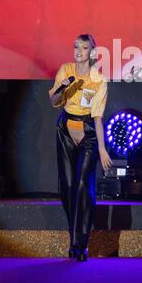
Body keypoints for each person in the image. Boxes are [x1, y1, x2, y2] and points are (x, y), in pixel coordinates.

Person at [49, 34, 112, 261]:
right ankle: (73, 234)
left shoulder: (98, 80)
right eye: (76, 46)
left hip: (88, 134)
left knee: (84, 185)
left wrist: (103, 149)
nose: (78, 51)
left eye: (83, 48)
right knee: (66, 186)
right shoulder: (66, 71)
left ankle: (80, 243)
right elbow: (54, 101)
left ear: (91, 53)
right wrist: (64, 87)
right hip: (66, 130)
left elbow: (97, 119)